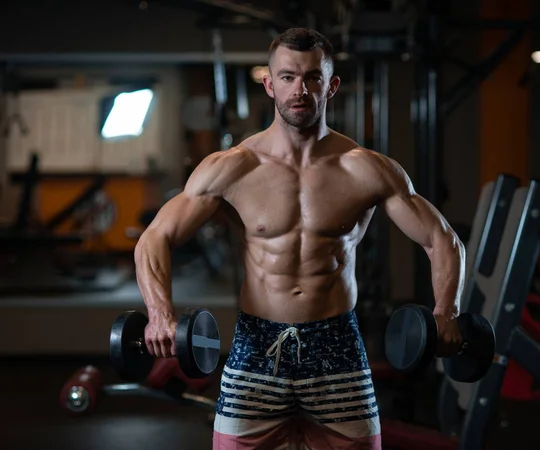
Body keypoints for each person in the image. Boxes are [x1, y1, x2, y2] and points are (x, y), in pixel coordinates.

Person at [135, 28, 466, 450]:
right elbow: (155, 238)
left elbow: (441, 238)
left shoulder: (366, 169)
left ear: (332, 85)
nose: (300, 89)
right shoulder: (232, 168)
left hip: (337, 343)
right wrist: (159, 314)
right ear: (270, 84)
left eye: (312, 77)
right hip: (256, 345)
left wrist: (447, 312)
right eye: (288, 77)